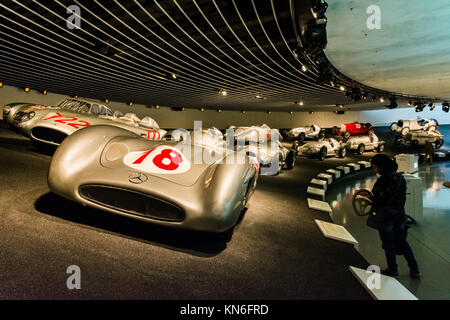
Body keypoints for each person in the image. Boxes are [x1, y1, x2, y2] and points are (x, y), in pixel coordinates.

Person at [370, 154, 420, 278]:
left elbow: (380, 199)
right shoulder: (400, 177)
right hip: (399, 214)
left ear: (382, 167)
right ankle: (415, 269)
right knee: (402, 241)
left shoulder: (383, 180)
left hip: (386, 215)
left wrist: (370, 198)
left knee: (388, 243)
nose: (374, 169)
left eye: (375, 167)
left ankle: (393, 269)